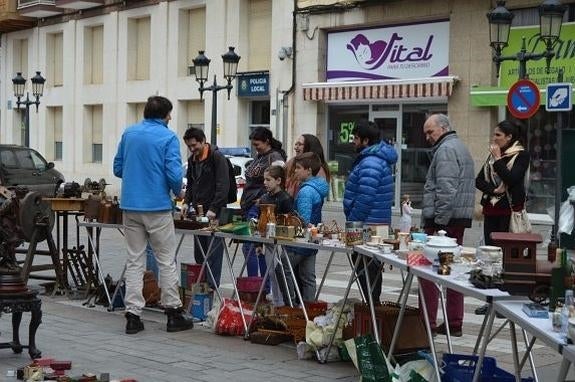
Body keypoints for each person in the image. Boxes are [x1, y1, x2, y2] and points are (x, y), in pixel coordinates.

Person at [113, 95, 194, 334]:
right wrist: (177, 191)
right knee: (166, 259)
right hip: (157, 206)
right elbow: (173, 174)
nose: (171, 118)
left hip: (131, 205)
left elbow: (118, 168)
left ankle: (133, 315)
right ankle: (172, 312)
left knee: (135, 260)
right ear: (164, 115)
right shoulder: (167, 136)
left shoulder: (129, 134)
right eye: (170, 114)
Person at [420, 113, 475, 337]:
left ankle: (428, 323)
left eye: (430, 132)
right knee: (450, 272)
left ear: (443, 128)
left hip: (445, 224)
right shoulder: (457, 146)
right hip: (455, 221)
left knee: (429, 273)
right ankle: (454, 321)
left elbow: (446, 190)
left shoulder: (446, 151)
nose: (427, 137)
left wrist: (438, 225)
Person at [475, 119, 530, 316]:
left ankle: (503, 302)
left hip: (509, 212)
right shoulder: (493, 155)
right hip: (491, 209)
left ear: (509, 137)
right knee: (490, 256)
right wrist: (494, 190)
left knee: (505, 257)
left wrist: (498, 159)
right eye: (494, 135)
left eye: (498, 135)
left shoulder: (521, 155)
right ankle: (490, 300)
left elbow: (513, 179)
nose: (494, 138)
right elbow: (479, 180)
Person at [343, 120, 397, 305]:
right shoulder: (374, 159)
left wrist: (352, 221)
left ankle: (373, 311)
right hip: (376, 223)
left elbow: (365, 198)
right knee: (369, 269)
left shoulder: (370, 162)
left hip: (366, 224)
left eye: (356, 138)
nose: (353, 141)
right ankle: (372, 309)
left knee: (365, 269)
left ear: (366, 141)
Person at [181, 127, 231, 290]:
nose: (192, 149)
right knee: (200, 253)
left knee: (213, 254)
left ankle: (212, 288)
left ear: (203, 141)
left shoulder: (217, 157)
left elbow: (223, 186)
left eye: (194, 145)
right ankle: (201, 288)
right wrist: (186, 203)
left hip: (215, 214)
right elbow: (190, 185)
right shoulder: (193, 159)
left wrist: (214, 209)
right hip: (198, 213)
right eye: (189, 146)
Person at [240, 127, 287, 283]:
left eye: (257, 144)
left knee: (252, 247)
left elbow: (280, 179)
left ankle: (256, 284)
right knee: (254, 247)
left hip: (260, 206)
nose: (255, 147)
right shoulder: (260, 156)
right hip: (250, 204)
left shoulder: (274, 156)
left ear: (267, 141)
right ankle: (259, 284)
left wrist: (265, 199)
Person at [281, 153, 329, 304]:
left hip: (301, 240)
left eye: (298, 168)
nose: (295, 171)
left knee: (283, 267)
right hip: (311, 239)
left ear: (308, 170)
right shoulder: (316, 187)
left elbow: (303, 220)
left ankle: (291, 305)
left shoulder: (306, 191)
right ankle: (309, 309)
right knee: (308, 276)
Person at [259, 165, 294, 306]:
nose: (265, 183)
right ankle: (276, 300)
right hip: (267, 241)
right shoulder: (264, 198)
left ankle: (282, 302)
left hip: (280, 241)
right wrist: (257, 243)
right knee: (271, 272)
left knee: (278, 271)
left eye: (268, 180)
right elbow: (260, 220)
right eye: (264, 180)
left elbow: (290, 220)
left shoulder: (285, 198)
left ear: (278, 180)